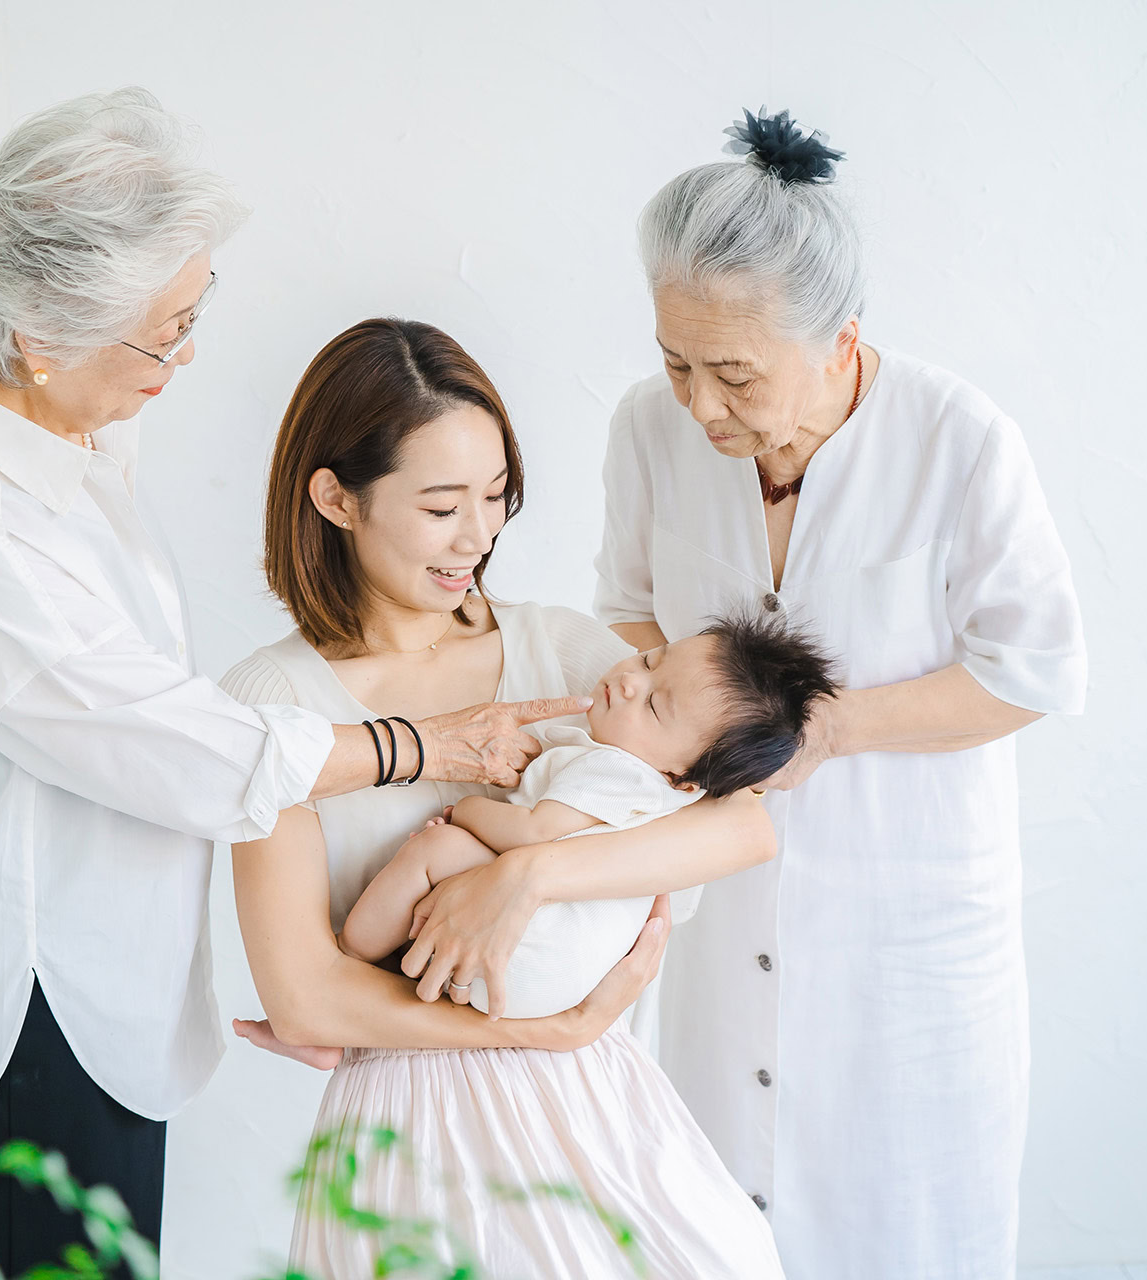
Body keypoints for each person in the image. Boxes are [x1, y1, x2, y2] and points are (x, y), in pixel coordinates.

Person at [0, 90, 584, 1274]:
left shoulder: (34, 394)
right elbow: (185, 753)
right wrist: (426, 745)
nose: (184, 361)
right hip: (29, 1021)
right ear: (40, 335)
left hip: (103, 991)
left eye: (193, 315)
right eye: (160, 336)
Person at [592, 108, 1088, 1278]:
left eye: (735, 373)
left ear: (843, 340)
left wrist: (831, 727)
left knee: (909, 1218)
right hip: (721, 897)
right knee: (714, 1219)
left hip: (910, 913)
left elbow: (1037, 666)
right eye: (677, 363)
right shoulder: (647, 430)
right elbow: (626, 603)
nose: (701, 405)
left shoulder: (958, 439)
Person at [222, 317, 787, 1279]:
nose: (479, 537)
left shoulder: (564, 653)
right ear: (336, 499)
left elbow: (742, 822)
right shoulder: (273, 707)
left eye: (496, 497)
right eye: (443, 506)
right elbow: (303, 993)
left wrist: (525, 876)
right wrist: (538, 1032)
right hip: (413, 1133)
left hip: (594, 1111)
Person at [336, 613, 836, 1019]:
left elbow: (533, 833)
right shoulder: (669, 792)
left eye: (654, 706)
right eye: (647, 659)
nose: (627, 682)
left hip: (531, 949)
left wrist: (465, 809)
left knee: (435, 848)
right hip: (564, 979)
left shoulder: (613, 767)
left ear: (681, 775)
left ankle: (353, 953)